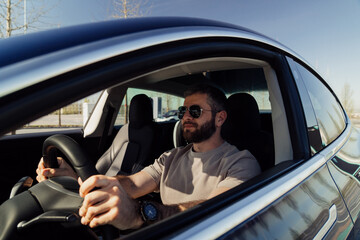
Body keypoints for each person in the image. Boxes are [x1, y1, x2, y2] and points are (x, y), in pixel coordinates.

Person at [36, 84, 261, 230]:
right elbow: (133, 183)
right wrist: (81, 180)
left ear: (220, 118)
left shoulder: (241, 162)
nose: (185, 118)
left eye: (195, 111)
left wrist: (140, 213)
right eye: (183, 112)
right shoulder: (171, 156)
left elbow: (216, 211)